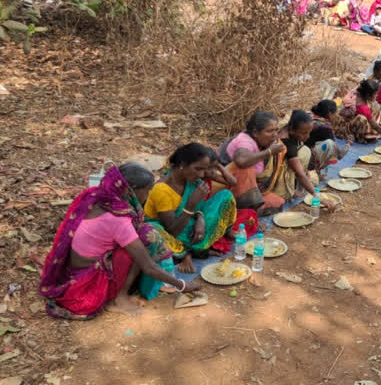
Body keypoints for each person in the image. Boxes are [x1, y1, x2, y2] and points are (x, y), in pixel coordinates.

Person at [39, 163, 199, 319]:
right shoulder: (118, 220)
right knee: (145, 237)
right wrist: (182, 285)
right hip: (89, 280)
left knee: (141, 233)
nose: (148, 195)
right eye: (148, 190)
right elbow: (148, 266)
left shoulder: (96, 195)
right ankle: (118, 298)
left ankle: (122, 290)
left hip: (73, 269)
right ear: (133, 190)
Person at [143, 143, 237, 273]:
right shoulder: (162, 189)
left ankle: (195, 249)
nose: (202, 175)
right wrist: (191, 204)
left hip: (190, 226)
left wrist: (200, 219)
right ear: (182, 164)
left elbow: (200, 208)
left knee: (225, 196)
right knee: (153, 230)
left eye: (204, 170)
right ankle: (187, 253)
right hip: (170, 232)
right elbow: (172, 230)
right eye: (197, 169)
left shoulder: (191, 180)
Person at [219, 111, 286, 213]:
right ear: (255, 133)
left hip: (247, 189)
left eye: (276, 130)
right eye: (269, 131)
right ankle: (244, 213)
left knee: (278, 202)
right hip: (227, 189)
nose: (275, 135)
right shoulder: (245, 141)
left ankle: (245, 209)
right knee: (246, 169)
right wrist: (269, 151)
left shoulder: (260, 142)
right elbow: (241, 161)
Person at [272, 110, 336, 210]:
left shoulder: (287, 127)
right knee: (305, 152)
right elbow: (300, 174)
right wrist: (318, 197)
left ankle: (293, 186)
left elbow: (295, 112)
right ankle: (290, 188)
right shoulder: (287, 144)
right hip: (274, 178)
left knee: (312, 179)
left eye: (309, 132)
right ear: (292, 130)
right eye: (304, 133)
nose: (307, 136)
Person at [336, 79, 381, 144]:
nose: (376, 95)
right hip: (345, 128)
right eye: (375, 94)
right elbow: (376, 127)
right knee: (362, 119)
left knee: (374, 108)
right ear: (368, 95)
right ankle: (361, 138)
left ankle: (369, 132)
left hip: (349, 120)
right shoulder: (362, 107)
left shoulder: (359, 93)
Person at [307, 100, 348, 179]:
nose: (336, 116)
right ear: (329, 114)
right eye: (335, 113)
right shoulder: (325, 127)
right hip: (305, 157)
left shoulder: (310, 117)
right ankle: (316, 171)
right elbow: (339, 155)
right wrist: (348, 144)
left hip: (297, 153)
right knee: (330, 144)